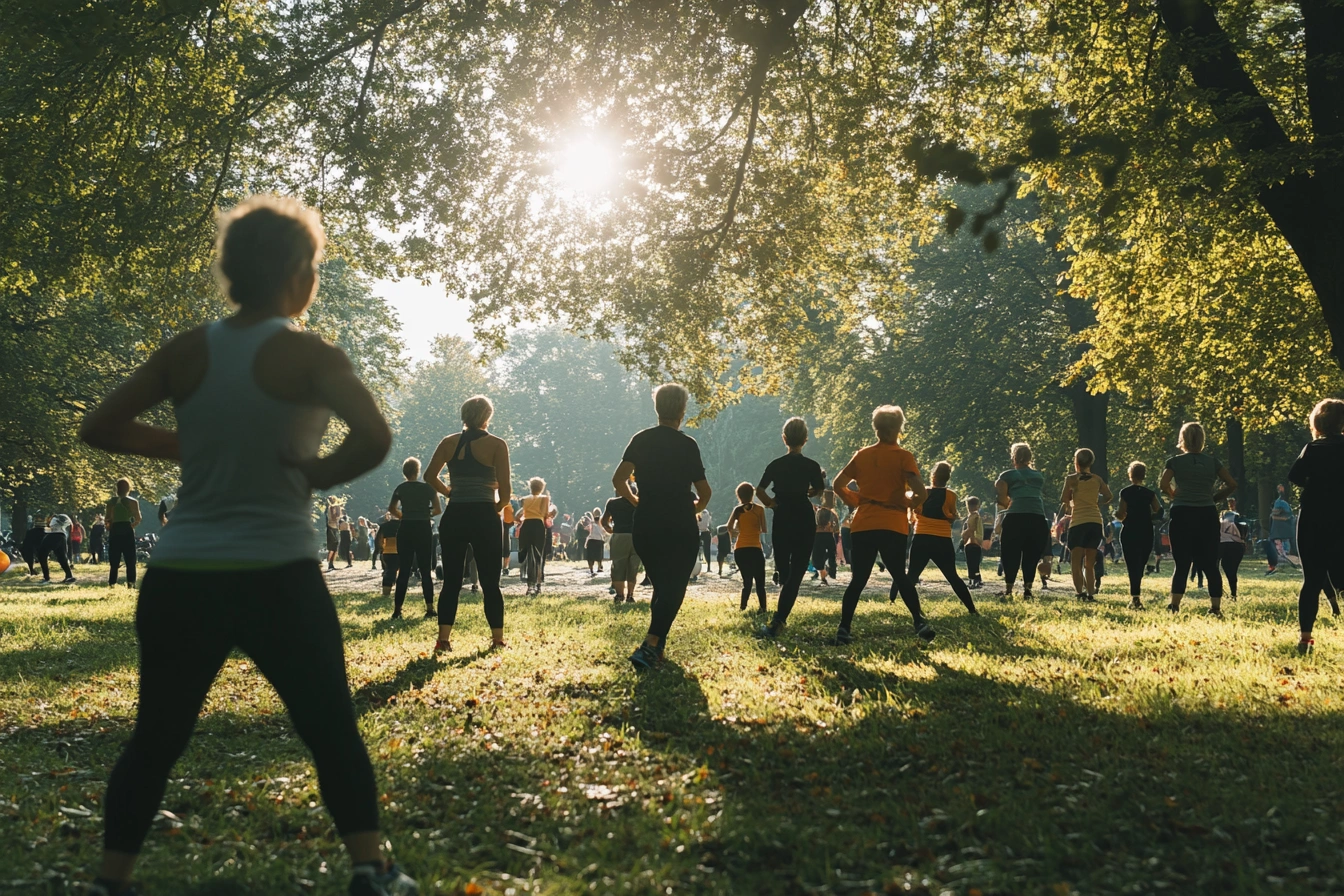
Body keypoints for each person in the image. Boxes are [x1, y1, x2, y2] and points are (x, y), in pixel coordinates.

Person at [77, 194, 415, 896]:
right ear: (298, 273)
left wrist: (192, 444)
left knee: (156, 738)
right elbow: (375, 437)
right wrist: (318, 473)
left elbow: (101, 427)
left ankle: (111, 882)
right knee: (330, 728)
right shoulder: (310, 353)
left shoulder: (187, 350)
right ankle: (371, 870)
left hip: (181, 575)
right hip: (277, 574)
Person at [611, 383, 712, 669]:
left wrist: (636, 501)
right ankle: (650, 644)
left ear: (657, 408)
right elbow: (705, 493)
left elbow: (618, 480)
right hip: (680, 522)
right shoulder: (687, 444)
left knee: (662, 586)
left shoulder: (640, 439)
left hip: (647, 522)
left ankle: (657, 649)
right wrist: (695, 509)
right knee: (674, 586)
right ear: (682, 410)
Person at [833, 405, 936, 645]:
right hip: (892, 524)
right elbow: (921, 493)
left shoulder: (862, 455)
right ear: (898, 428)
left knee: (858, 579)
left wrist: (856, 500)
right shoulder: (903, 457)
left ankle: (844, 628)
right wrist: (910, 503)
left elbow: (838, 485)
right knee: (899, 575)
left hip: (864, 523)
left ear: (876, 428)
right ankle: (919, 622)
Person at [426, 395, 511, 653]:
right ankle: (497, 640)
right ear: (487, 416)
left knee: (451, 580)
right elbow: (506, 491)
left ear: (464, 415)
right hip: (485, 515)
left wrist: (449, 492)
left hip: (455, 515)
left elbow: (429, 476)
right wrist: (496, 507)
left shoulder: (448, 442)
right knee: (490, 581)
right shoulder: (497, 444)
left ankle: (443, 640)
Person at [756, 417, 825, 639]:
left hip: (783, 513)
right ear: (805, 439)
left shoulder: (775, 464)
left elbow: (759, 490)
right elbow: (818, 489)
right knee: (798, 567)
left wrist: (771, 504)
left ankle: (782, 587)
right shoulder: (812, 465)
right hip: (803, 515)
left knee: (783, 561)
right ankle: (780, 616)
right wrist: (810, 491)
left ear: (784, 438)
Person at [1159, 422, 1236, 616]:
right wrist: (1215, 498)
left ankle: (1175, 604)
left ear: (1183, 439)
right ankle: (1215, 607)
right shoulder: (1213, 462)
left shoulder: (1174, 462)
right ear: (1202, 440)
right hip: (1206, 513)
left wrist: (1173, 494)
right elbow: (1231, 484)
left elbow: (1163, 484)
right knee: (1210, 562)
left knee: (1182, 562)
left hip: (1182, 512)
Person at [1288, 399, 1344, 653]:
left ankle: (1305, 638)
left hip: (1312, 515)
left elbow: (1295, 476)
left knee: (1311, 580)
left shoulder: (1312, 448)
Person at [901, 462, 977, 614]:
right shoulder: (951, 495)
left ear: (933, 476)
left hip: (921, 537)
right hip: (942, 539)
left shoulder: (923, 492)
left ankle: (913, 610)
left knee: (912, 576)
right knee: (952, 576)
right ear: (948, 477)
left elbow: (913, 511)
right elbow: (952, 516)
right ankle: (972, 609)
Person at [388, 458, 442, 620]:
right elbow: (438, 509)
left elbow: (392, 509)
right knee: (425, 569)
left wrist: (403, 516)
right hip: (423, 528)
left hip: (405, 528)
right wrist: (426, 514)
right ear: (418, 471)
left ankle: (397, 610)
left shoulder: (400, 488)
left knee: (404, 570)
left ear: (404, 472)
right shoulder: (428, 488)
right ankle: (430, 608)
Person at [994, 442, 1050, 600]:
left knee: (1010, 553)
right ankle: (1028, 590)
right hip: (1037, 517)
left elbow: (1002, 500)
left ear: (1014, 457)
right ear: (1030, 457)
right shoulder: (1038, 476)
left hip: (1015, 517)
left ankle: (1009, 589)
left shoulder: (1007, 475)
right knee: (1031, 554)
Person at [1060, 449, 1113, 602]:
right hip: (1095, 522)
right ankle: (1090, 593)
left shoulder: (1071, 479)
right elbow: (1109, 496)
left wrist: (1073, 497)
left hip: (1078, 522)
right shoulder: (1097, 479)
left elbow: (1064, 499)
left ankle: (1080, 593)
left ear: (1076, 461)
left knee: (1076, 562)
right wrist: (1096, 501)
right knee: (1089, 564)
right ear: (1091, 462)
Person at [1115, 462, 1162, 609]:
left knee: (1131, 564)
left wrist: (1117, 515)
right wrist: (1150, 518)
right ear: (1143, 475)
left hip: (1129, 530)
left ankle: (1135, 597)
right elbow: (1159, 510)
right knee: (1141, 563)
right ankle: (1136, 595)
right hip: (1146, 530)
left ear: (1130, 475)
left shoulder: (1125, 492)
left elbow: (1121, 513)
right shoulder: (1150, 493)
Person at [727, 482, 768, 613]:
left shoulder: (737, 510)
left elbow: (729, 527)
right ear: (752, 494)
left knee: (747, 582)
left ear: (739, 496)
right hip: (755, 548)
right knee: (760, 582)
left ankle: (743, 607)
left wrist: (738, 530)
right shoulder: (760, 509)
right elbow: (764, 529)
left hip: (740, 549)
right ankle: (763, 608)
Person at [602, 483, 641, 603]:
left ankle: (619, 595)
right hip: (636, 536)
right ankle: (630, 595)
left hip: (619, 535)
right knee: (633, 566)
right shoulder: (639, 503)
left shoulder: (612, 503)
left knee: (618, 565)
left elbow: (604, 522)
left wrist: (611, 530)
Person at [106, 479, 143, 588]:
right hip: (127, 528)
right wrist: (131, 526)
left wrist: (109, 527)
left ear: (117, 488)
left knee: (114, 557)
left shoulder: (111, 502)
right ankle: (131, 583)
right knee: (130, 558)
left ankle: (112, 582)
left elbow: (108, 518)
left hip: (115, 529)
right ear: (128, 488)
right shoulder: (133, 502)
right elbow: (138, 518)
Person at [518, 478, 551, 596]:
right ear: (542, 487)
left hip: (526, 525)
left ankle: (529, 584)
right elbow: (545, 513)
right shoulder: (545, 498)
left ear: (530, 487)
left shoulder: (523, 499)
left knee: (527, 553)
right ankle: (538, 584)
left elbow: (519, 514)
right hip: (538, 525)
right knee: (538, 555)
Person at [1219, 499, 1248, 601]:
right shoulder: (1239, 519)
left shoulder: (1222, 518)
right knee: (1232, 570)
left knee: (1221, 567)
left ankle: (1219, 591)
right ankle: (1233, 594)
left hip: (1223, 543)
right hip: (1238, 545)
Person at [40, 513, 77, 583]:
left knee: (42, 555)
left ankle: (46, 577)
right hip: (62, 537)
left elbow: (50, 528)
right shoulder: (63, 519)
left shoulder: (54, 519)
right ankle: (69, 576)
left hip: (53, 535)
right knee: (62, 558)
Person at [812, 492, 839, 585]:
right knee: (831, 555)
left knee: (817, 557)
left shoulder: (819, 511)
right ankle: (830, 573)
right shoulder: (833, 513)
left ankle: (823, 574)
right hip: (829, 535)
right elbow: (836, 528)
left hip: (818, 536)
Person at [376, 513, 400, 598]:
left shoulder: (384, 526)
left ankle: (386, 592)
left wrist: (380, 549)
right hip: (401, 552)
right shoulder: (404, 525)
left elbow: (378, 539)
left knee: (389, 570)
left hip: (388, 551)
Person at [961, 496, 984, 589]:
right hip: (977, 541)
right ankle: (977, 579)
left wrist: (963, 535)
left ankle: (973, 580)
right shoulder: (977, 516)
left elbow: (971, 529)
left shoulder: (973, 516)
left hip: (972, 542)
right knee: (975, 563)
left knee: (971, 563)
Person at [584, 510, 606, 576]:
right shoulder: (601, 523)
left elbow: (586, 528)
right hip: (599, 540)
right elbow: (604, 532)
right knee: (599, 555)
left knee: (590, 556)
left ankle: (591, 569)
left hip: (591, 540)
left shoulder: (592, 523)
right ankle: (599, 566)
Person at [324, 495, 343, 571]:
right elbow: (334, 517)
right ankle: (330, 563)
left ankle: (331, 563)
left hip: (334, 527)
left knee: (334, 546)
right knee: (333, 546)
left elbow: (337, 517)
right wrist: (338, 512)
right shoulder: (332, 508)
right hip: (331, 527)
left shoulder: (333, 507)